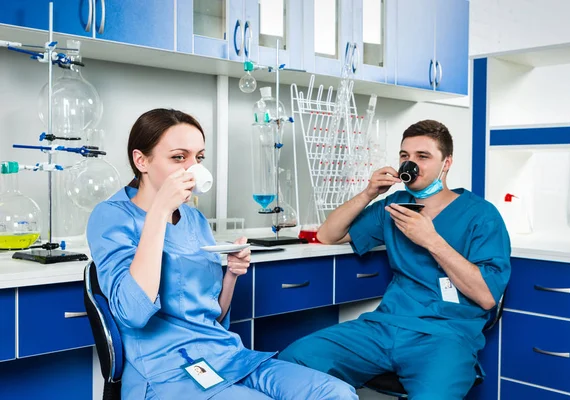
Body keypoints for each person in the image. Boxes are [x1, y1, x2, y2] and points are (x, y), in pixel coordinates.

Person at [86, 108, 358, 400]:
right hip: (165, 370)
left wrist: (231, 274)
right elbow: (133, 313)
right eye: (179, 157)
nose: (192, 168)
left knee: (337, 393)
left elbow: (212, 316)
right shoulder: (112, 217)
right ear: (142, 161)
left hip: (223, 355)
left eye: (199, 158)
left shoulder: (194, 220)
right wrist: (159, 211)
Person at [279, 120, 511, 400]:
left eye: (422, 157)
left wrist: (431, 239)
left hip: (445, 335)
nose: (410, 164)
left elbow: (487, 296)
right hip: (383, 327)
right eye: (405, 156)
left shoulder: (482, 215)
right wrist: (369, 193)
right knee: (295, 360)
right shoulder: (395, 207)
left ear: (446, 162)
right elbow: (328, 235)